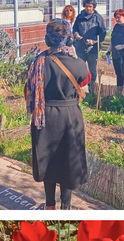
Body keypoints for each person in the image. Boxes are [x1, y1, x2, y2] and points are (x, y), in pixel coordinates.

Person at [26, 19, 90, 211]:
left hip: (44, 116)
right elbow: (86, 80)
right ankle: (66, 206)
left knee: (48, 160)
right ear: (68, 40)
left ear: (48, 39)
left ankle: (49, 206)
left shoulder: (38, 62)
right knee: (67, 161)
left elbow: (29, 87)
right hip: (70, 116)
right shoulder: (78, 63)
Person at [72, 0, 106, 98]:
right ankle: (77, 90)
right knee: (78, 69)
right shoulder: (79, 17)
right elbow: (74, 29)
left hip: (93, 49)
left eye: (90, 6)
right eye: (86, 6)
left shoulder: (98, 18)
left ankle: (92, 91)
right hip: (80, 48)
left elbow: (103, 33)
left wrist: (94, 41)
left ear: (93, 7)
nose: (88, 8)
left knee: (92, 71)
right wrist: (76, 35)